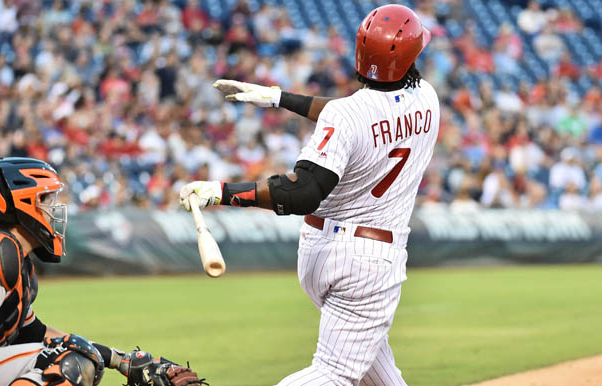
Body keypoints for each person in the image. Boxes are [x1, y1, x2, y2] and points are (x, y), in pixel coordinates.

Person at [182, 5, 439, 385]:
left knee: (380, 375)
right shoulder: (428, 100)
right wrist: (278, 98)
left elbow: (309, 180)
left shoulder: (348, 114)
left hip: (320, 251)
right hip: (368, 262)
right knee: (333, 374)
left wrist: (222, 192)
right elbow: (313, 176)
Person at [0, 157, 204, 386]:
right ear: (22, 203)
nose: (55, 209)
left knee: (79, 353)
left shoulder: (13, 263)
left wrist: (120, 360)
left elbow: (35, 334)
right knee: (71, 360)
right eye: (47, 200)